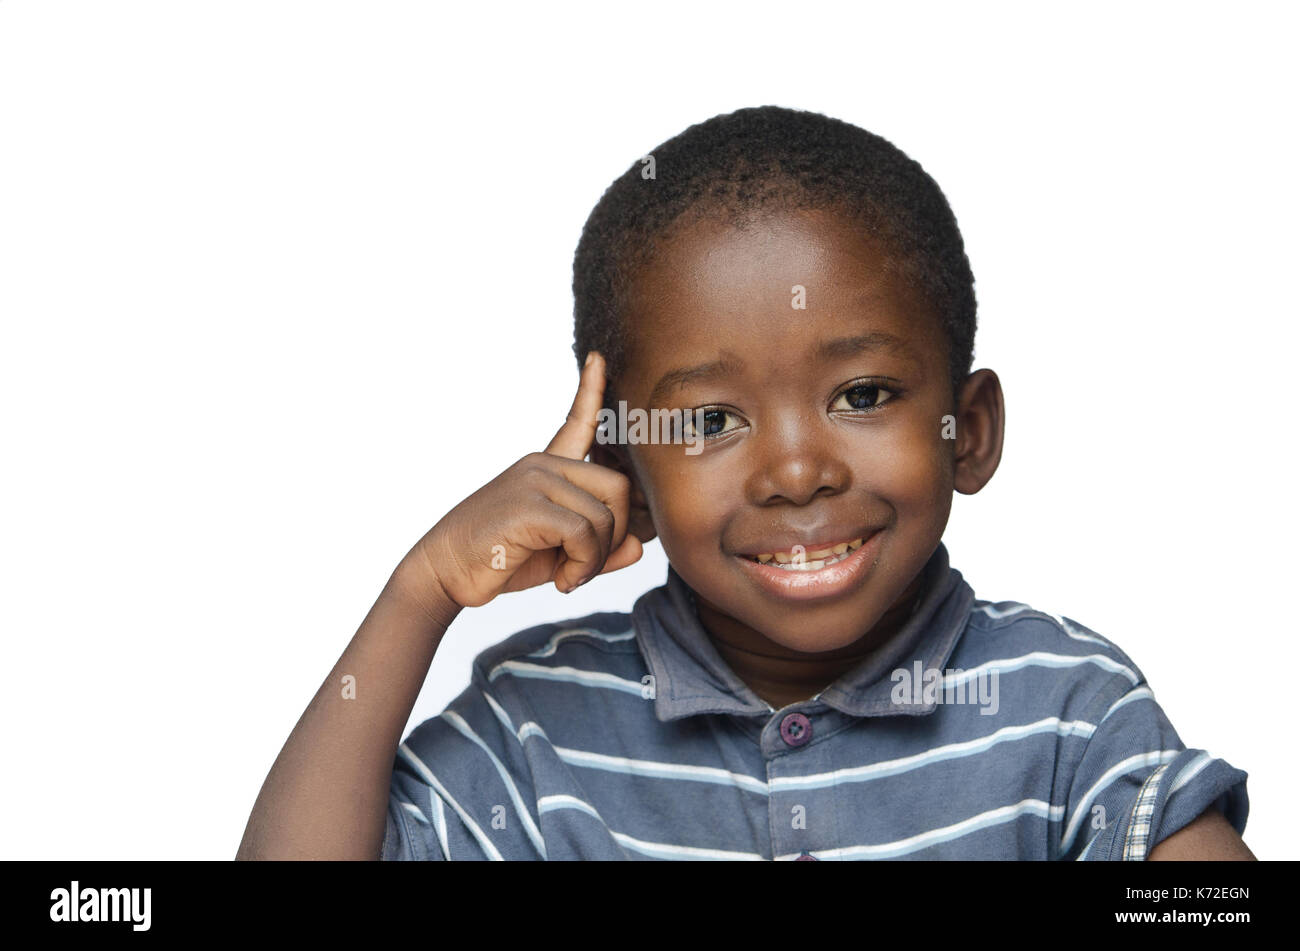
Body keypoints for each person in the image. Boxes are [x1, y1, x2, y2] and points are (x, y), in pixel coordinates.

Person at [236, 106, 1252, 860]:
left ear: (969, 432)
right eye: (712, 420)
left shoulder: (1061, 709)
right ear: (621, 460)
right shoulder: (539, 727)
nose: (796, 470)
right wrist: (419, 594)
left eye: (861, 393)